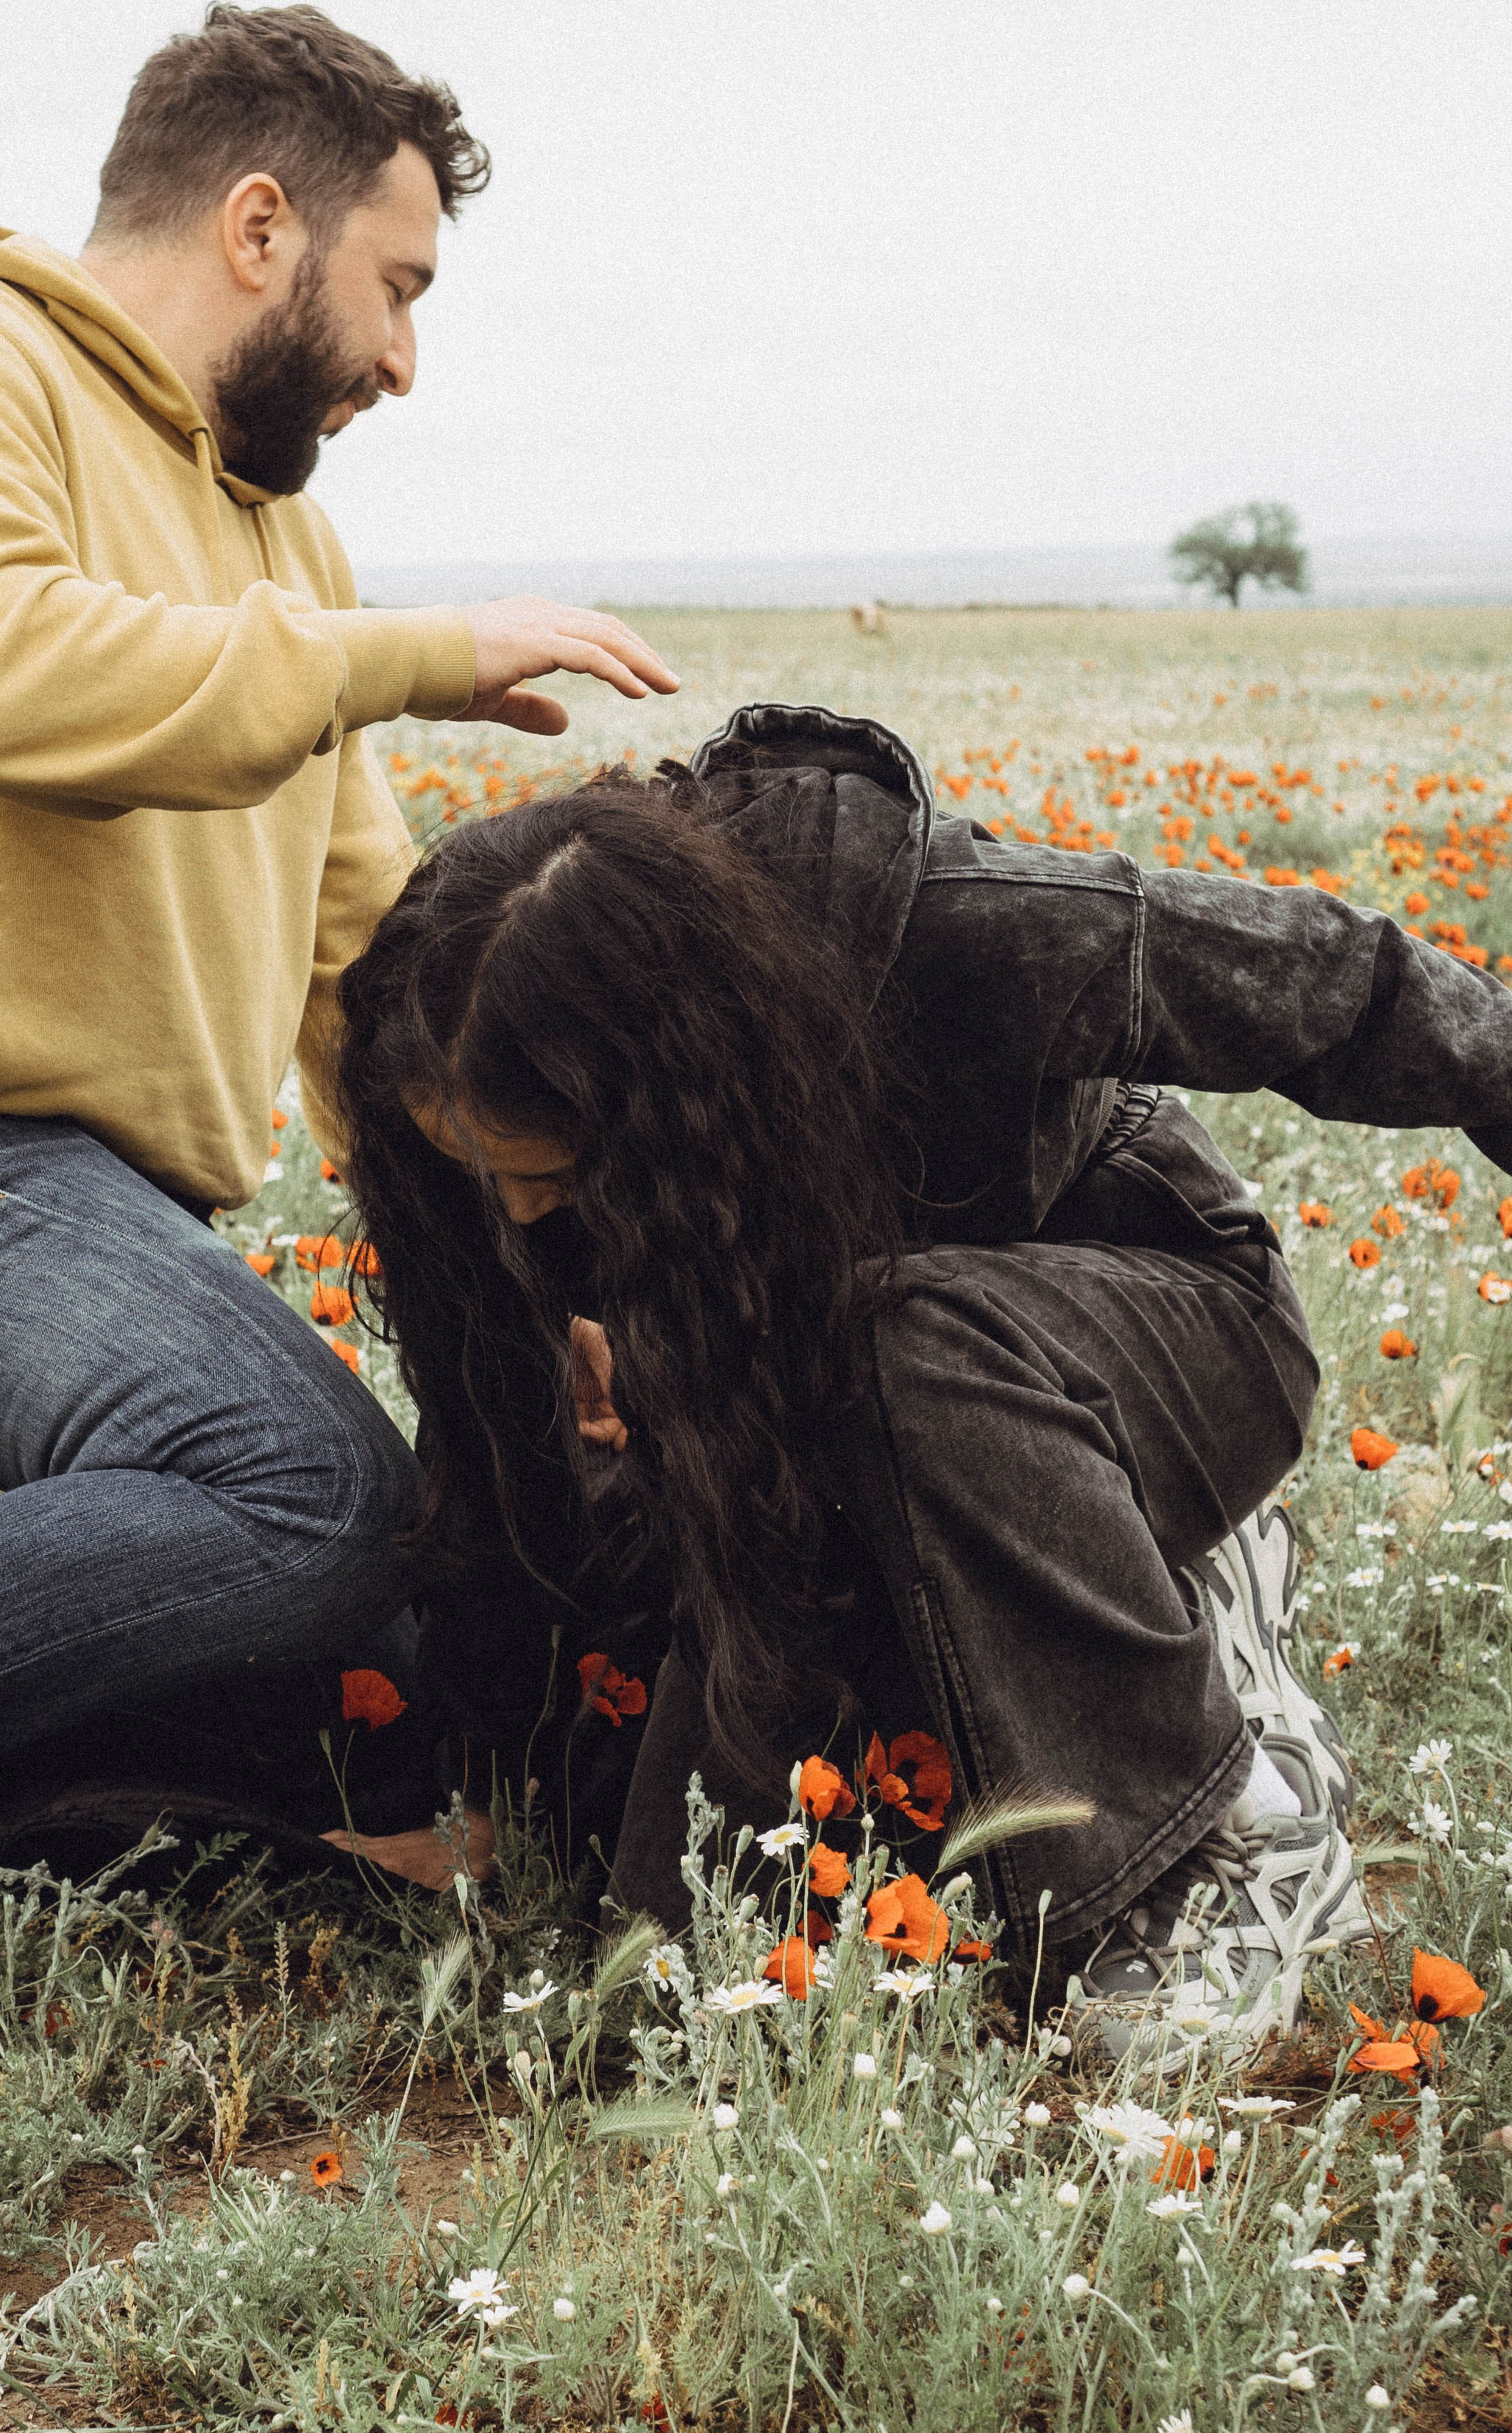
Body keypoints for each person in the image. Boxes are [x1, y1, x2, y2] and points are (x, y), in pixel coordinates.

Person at [0, 3, 677, 2023]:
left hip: (90, 1205)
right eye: (398, 287)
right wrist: (406, 655)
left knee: (340, 1618)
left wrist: (545, 1269)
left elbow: (368, 966)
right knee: (313, 1502)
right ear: (260, 227)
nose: (405, 361)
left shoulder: (276, 530)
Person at [327, 702, 1512, 2064]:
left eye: (554, 1176)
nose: (526, 1221)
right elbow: (490, 1445)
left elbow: (1336, 983)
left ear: (660, 1095)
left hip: (1160, 1326)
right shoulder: (459, 1077)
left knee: (884, 1340)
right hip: (859, 1420)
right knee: (669, 1991)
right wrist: (498, 1776)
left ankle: (1221, 1842)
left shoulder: (920, 926)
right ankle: (1175, 1616)